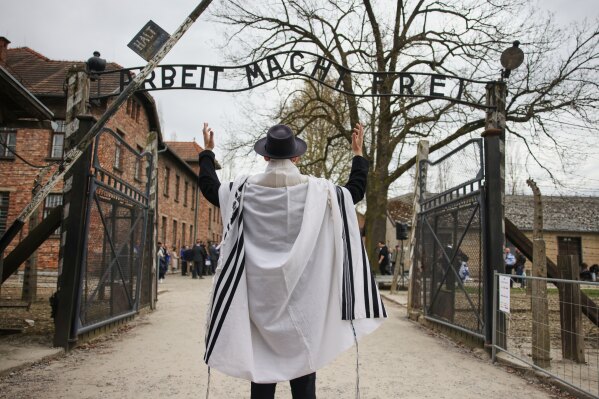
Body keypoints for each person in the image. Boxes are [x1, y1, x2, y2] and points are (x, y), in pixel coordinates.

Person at [198, 122, 385, 398]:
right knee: (304, 376)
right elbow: (354, 192)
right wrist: (357, 154)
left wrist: (207, 154)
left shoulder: (243, 191)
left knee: (261, 372)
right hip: (303, 299)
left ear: (265, 156)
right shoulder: (318, 192)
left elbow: (210, 189)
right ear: (296, 157)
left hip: (259, 300)